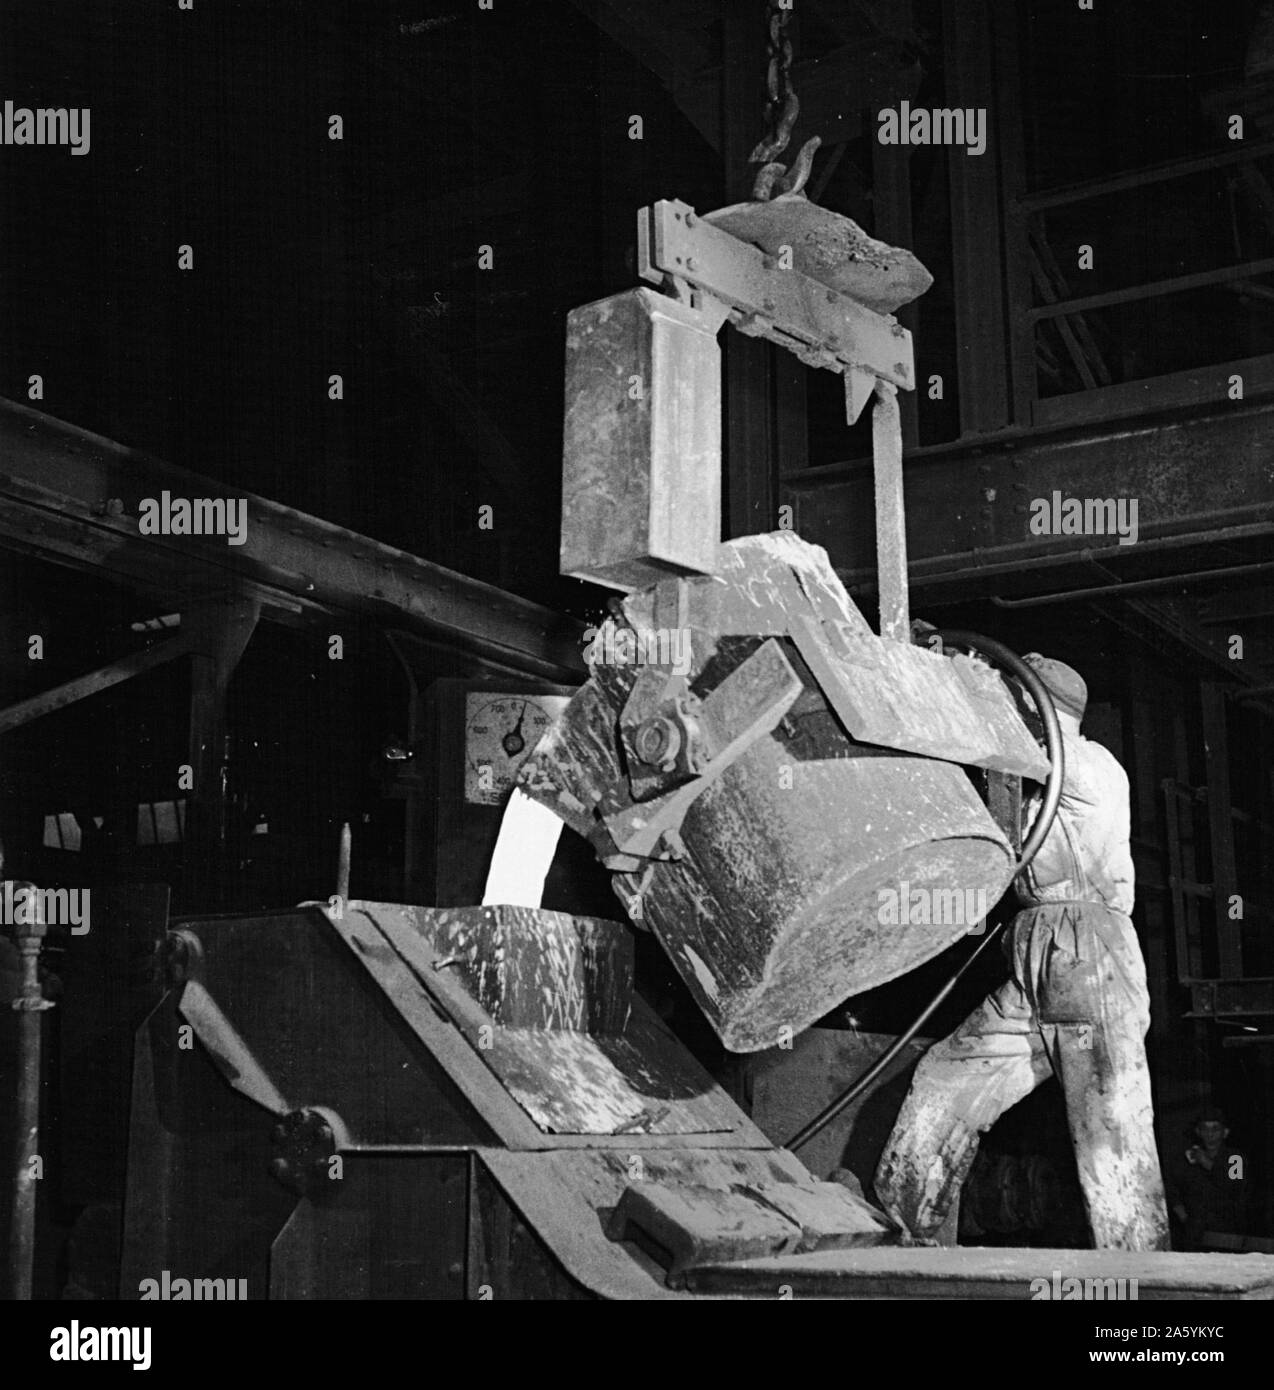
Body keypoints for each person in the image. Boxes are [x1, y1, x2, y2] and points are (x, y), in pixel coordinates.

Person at [874, 654, 1169, 1251]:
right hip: (1036, 954)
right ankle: (908, 1231)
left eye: (1015, 701)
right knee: (945, 1078)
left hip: (1088, 952)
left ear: (1038, 708)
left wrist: (960, 681)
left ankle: (1144, 1276)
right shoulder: (1032, 784)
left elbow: (1026, 750)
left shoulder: (1088, 767)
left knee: (1107, 1123)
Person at [1167, 1109, 1252, 1251]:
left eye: (1215, 1129)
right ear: (1198, 1132)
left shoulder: (1235, 1158)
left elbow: (1234, 1186)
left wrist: (1207, 1163)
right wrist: (1184, 1218)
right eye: (1204, 1129)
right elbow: (1171, 1190)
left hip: (1227, 1234)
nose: (1210, 1134)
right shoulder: (1187, 1159)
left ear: (1225, 1133)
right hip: (1194, 1236)